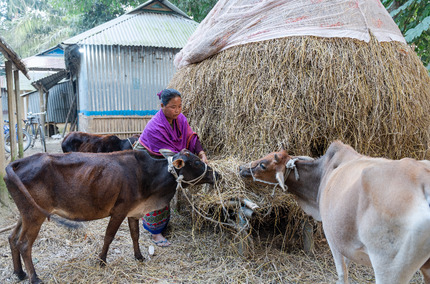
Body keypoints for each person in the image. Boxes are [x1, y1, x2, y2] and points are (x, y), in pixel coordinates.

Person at [134, 88, 208, 247]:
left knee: (166, 191)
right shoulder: (155, 126)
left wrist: (201, 153)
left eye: (180, 106)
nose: (177, 110)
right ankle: (155, 232)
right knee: (156, 192)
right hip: (149, 162)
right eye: (173, 107)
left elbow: (190, 137)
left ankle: (162, 224)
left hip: (169, 159)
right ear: (162, 106)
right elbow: (167, 153)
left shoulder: (181, 120)